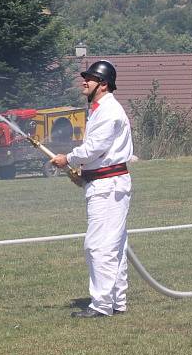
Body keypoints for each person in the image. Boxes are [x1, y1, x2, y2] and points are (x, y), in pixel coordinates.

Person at [50, 60, 133, 318]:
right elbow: (100, 154)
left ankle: (101, 305)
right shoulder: (99, 109)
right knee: (114, 246)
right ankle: (116, 302)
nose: (83, 81)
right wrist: (84, 174)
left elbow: (95, 148)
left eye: (89, 78)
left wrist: (69, 159)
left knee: (98, 246)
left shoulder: (109, 111)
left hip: (108, 187)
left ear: (103, 84)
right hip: (104, 183)